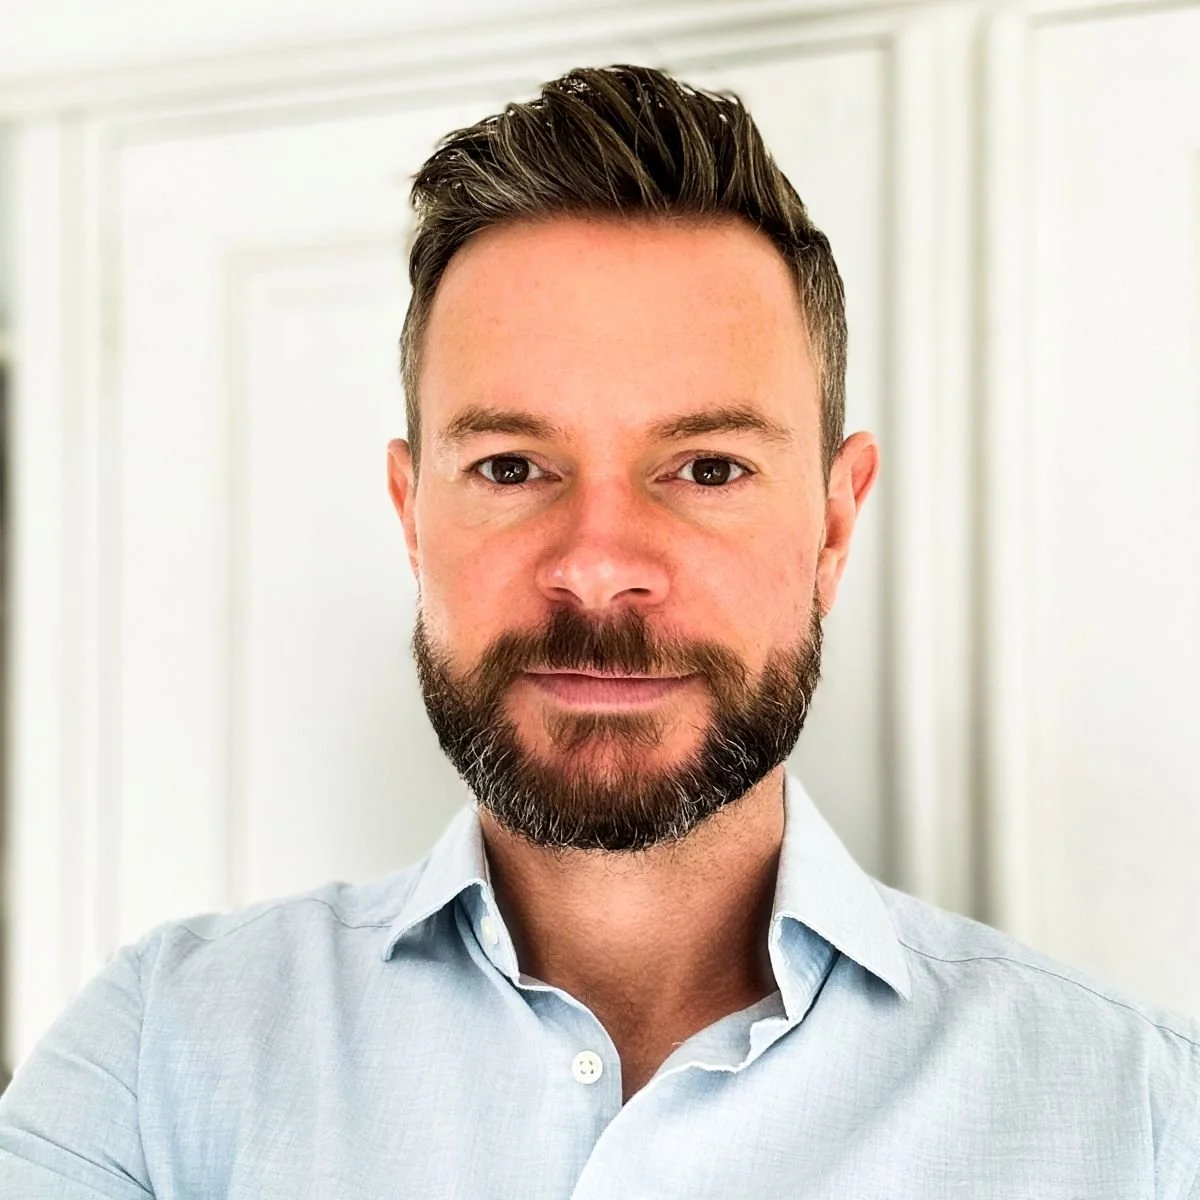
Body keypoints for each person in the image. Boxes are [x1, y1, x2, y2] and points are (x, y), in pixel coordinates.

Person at [1, 63, 1197, 1199]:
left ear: (835, 524)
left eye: (707, 466)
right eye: (514, 465)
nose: (600, 566)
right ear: (413, 515)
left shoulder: (1138, 1118)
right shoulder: (156, 1066)